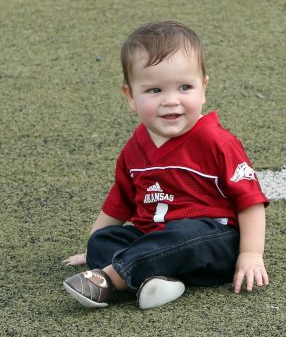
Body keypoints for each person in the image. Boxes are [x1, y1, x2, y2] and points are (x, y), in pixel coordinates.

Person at [63, 20, 269, 309]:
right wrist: (92, 246)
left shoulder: (216, 141)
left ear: (204, 88)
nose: (171, 101)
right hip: (153, 238)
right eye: (154, 90)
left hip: (212, 242)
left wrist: (250, 253)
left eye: (185, 87)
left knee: (186, 233)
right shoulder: (135, 147)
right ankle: (160, 283)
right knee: (102, 240)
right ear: (130, 96)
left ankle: (108, 278)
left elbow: (250, 202)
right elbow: (119, 202)